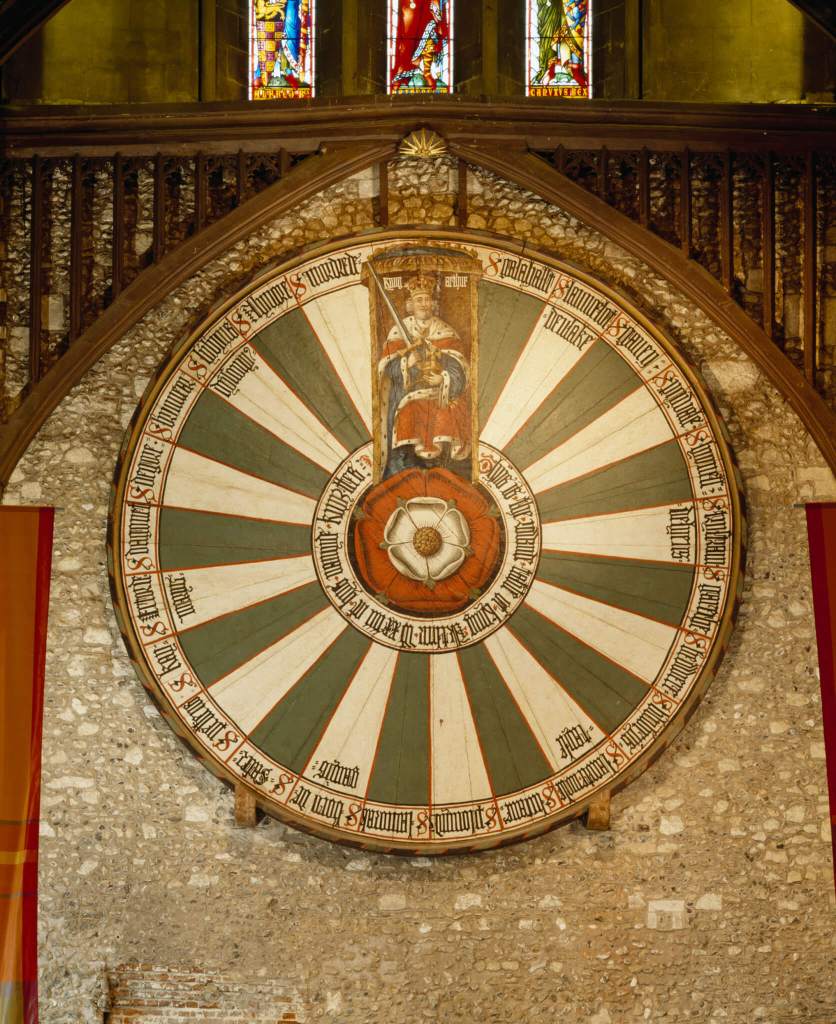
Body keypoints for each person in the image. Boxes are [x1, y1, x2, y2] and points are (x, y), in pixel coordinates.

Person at [378, 275, 470, 478]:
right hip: (406, 394)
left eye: (427, 299)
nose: (424, 304)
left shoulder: (445, 331)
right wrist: (406, 363)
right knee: (408, 412)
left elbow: (459, 369)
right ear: (410, 305)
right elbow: (387, 372)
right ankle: (406, 469)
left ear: (433, 304)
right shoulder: (398, 331)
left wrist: (443, 379)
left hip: (440, 393)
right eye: (419, 300)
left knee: (446, 413)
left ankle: (443, 471)